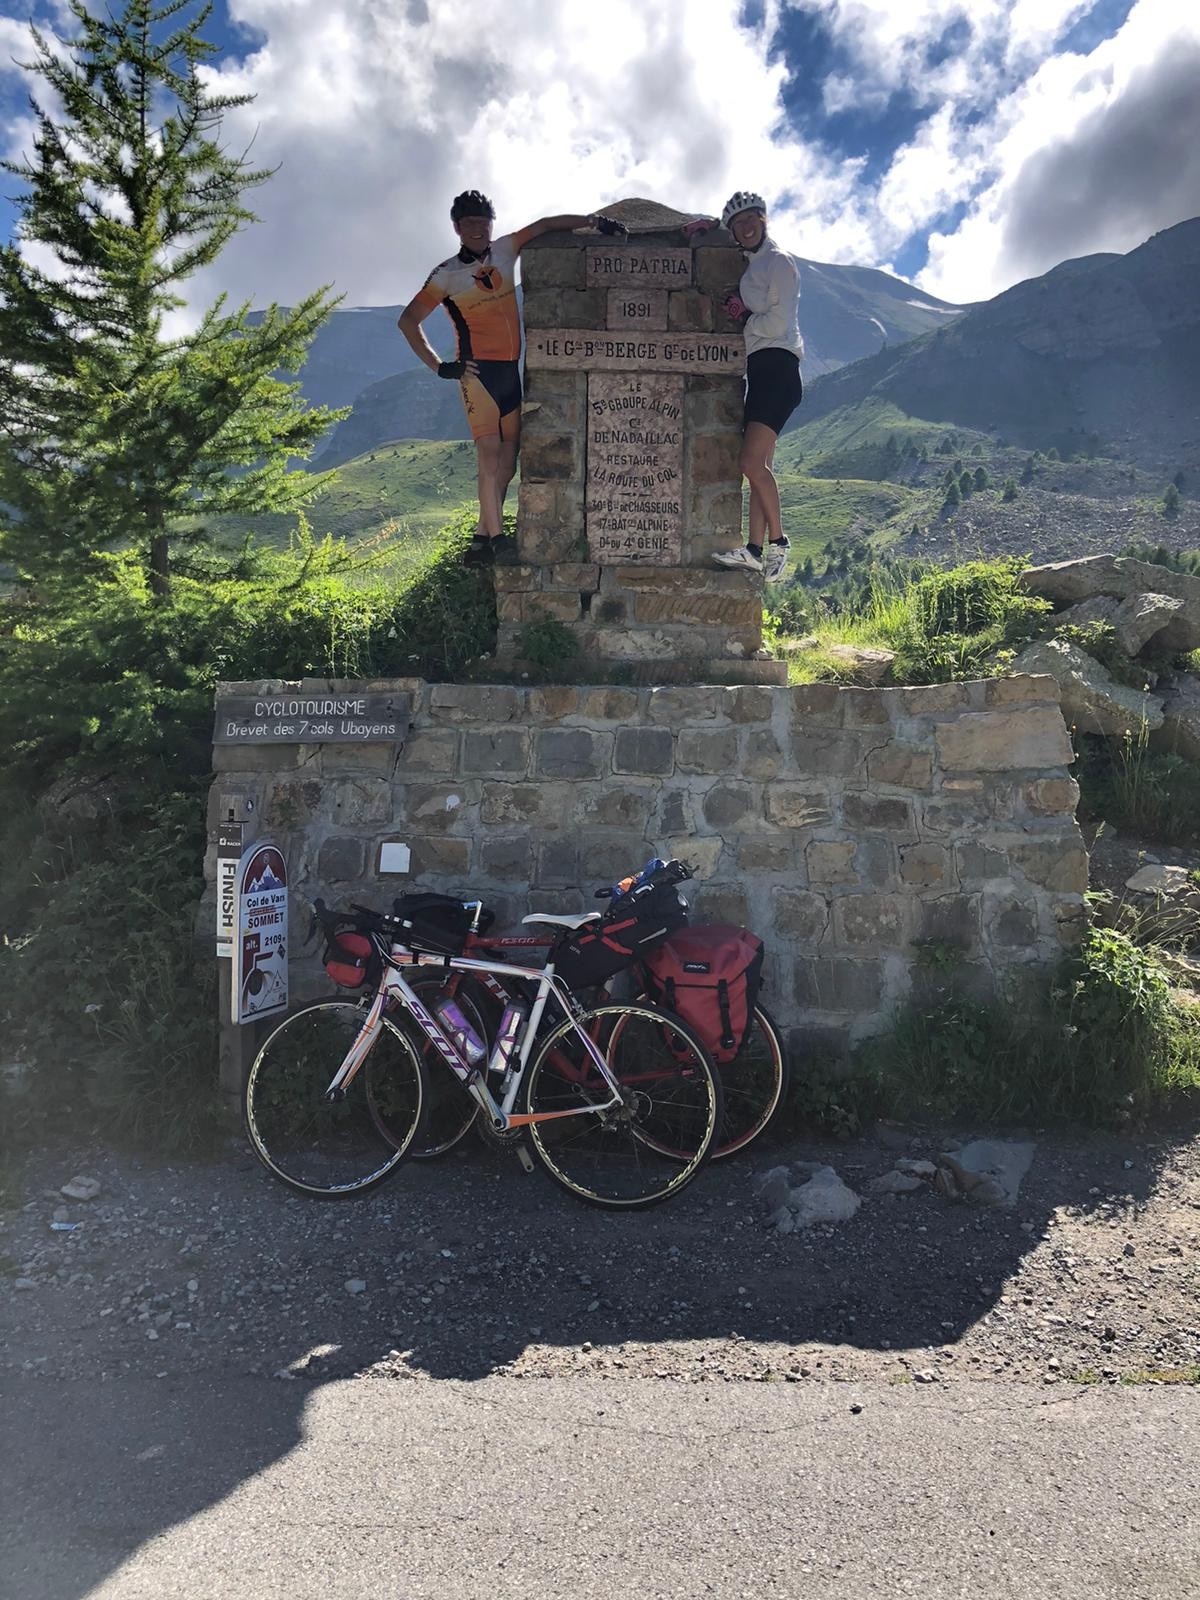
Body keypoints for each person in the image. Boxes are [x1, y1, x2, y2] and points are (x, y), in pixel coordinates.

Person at [399, 192, 626, 567]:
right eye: (468, 223)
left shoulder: (506, 249)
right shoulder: (446, 274)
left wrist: (595, 221)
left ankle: (480, 538)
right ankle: (498, 540)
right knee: (489, 458)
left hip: (510, 372)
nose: (476, 228)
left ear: (491, 223)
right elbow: (408, 320)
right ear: (456, 228)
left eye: (483, 221)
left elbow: (546, 225)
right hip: (477, 375)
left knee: (508, 460)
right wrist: (440, 367)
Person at [685, 192, 803, 583]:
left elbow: (777, 323)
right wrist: (709, 224)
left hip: (778, 368)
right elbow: (724, 226)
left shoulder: (779, 263)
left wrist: (745, 317)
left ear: (764, 220)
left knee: (749, 464)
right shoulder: (752, 260)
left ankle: (780, 542)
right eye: (738, 223)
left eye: (752, 218)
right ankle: (753, 550)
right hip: (762, 369)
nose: (746, 226)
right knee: (759, 468)